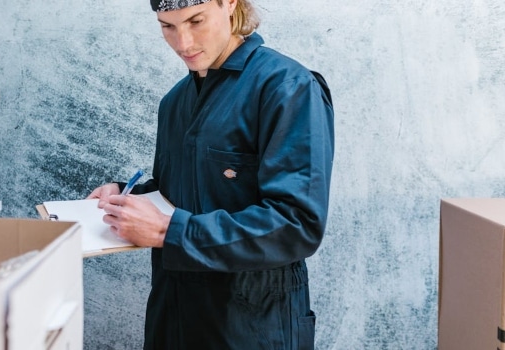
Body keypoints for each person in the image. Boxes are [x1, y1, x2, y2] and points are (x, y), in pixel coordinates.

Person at [87, 0, 334, 348]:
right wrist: (127, 197)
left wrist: (167, 231)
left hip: (251, 328)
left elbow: (297, 224)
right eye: (167, 27)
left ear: (230, 4)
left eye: (196, 21)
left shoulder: (288, 87)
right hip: (172, 322)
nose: (183, 43)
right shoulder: (174, 102)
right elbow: (183, 192)